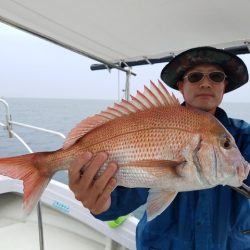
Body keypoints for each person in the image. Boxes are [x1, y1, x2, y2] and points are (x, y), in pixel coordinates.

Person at [68, 46, 250, 250]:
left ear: (224, 85)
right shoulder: (156, 123)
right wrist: (101, 204)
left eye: (216, 77)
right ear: (181, 86)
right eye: (195, 76)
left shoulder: (245, 137)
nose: (206, 83)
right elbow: (127, 193)